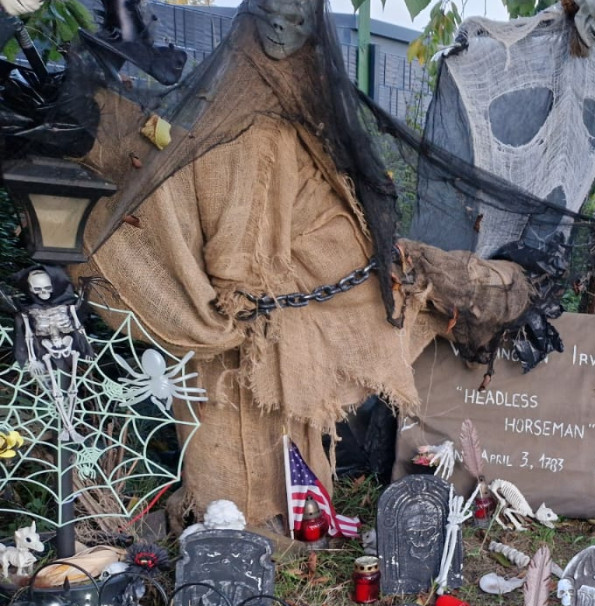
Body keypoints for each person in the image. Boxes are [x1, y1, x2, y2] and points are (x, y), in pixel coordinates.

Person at [73, 0, 540, 535]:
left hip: (296, 300)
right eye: (271, 14)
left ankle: (285, 514)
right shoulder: (240, 125)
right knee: (234, 432)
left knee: (288, 420)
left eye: (297, 21)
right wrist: (246, 289)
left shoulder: (297, 117)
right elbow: (232, 241)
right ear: (249, 20)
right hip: (248, 310)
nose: (281, 29)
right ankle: (235, 526)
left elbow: (321, 208)